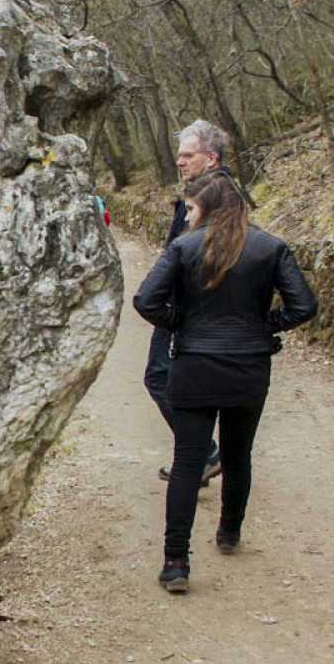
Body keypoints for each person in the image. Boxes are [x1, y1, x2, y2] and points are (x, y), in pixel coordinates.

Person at [133, 170, 316, 593]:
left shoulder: (183, 247)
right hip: (249, 368)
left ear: (209, 207)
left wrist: (180, 323)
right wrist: (266, 325)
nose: (187, 215)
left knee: (187, 461)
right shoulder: (270, 247)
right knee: (238, 456)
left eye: (192, 208)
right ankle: (229, 534)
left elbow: (146, 300)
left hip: (195, 365)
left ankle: (176, 561)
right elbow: (304, 304)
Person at [143, 119, 230, 487]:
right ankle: (199, 456)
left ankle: (203, 453)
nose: (180, 161)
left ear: (211, 158)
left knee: (160, 377)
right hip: (186, 306)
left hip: (188, 308)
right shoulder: (204, 189)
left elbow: (209, 253)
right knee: (172, 380)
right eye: (179, 155)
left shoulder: (215, 196)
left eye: (188, 155)